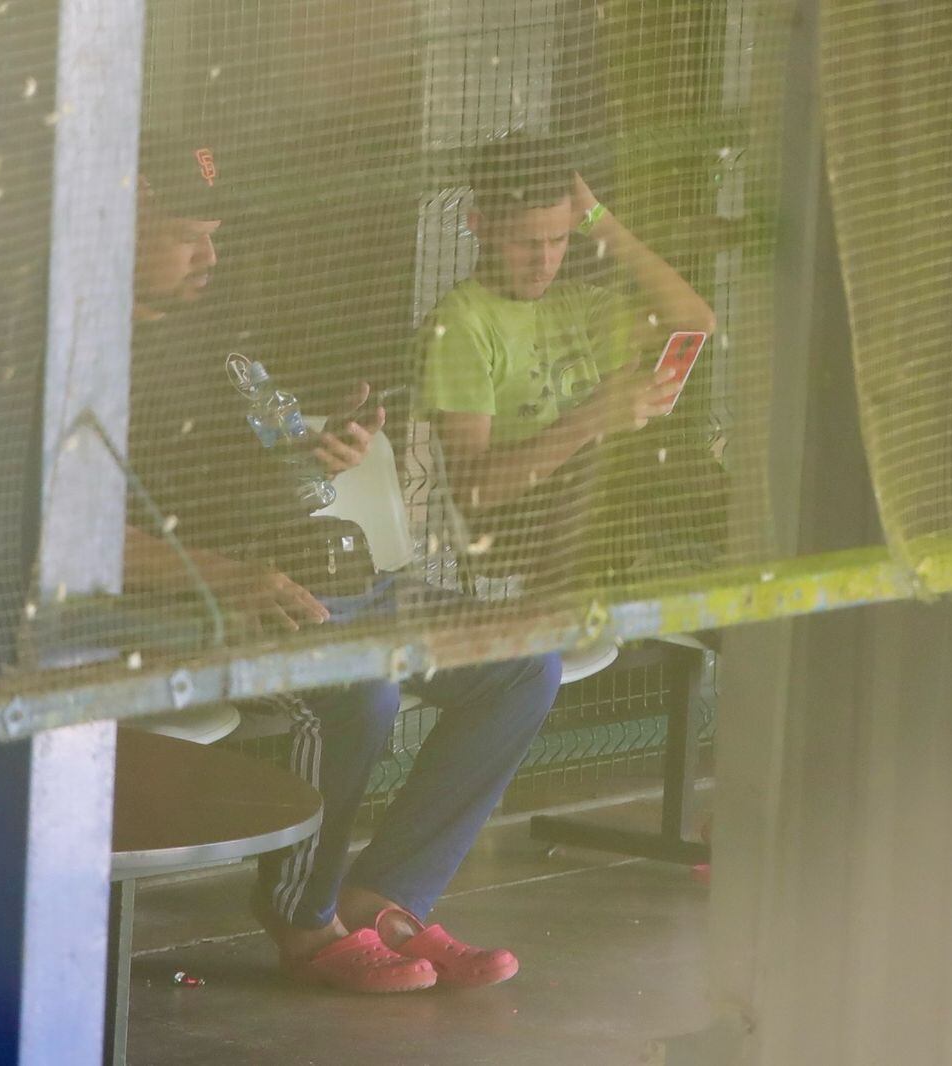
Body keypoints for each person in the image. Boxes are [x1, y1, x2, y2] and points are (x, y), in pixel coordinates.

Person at [124, 137, 563, 993]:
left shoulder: (208, 337)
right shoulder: (81, 359)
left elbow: (252, 469)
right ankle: (302, 920)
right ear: (120, 222)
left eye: (216, 233)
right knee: (361, 690)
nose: (211, 256)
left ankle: (387, 896)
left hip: (316, 583)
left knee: (519, 663)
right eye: (189, 235)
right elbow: (76, 541)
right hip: (201, 611)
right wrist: (231, 576)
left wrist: (322, 448)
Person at [417, 134, 717, 589]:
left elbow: (695, 321)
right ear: (479, 225)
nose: (544, 262)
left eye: (558, 239)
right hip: (517, 523)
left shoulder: (573, 303)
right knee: (667, 486)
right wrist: (592, 420)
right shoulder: (460, 325)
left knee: (692, 484)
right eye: (525, 243)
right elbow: (474, 492)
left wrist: (602, 223)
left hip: (606, 506)